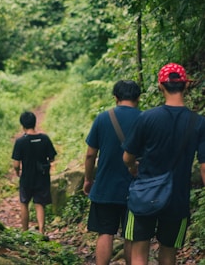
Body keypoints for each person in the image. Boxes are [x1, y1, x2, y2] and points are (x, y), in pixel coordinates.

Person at [123, 63, 205, 265]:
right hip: (177, 198)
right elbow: (204, 167)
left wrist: (133, 168)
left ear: (161, 86)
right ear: (186, 85)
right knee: (169, 253)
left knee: (139, 250)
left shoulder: (147, 118)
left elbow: (127, 157)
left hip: (144, 194)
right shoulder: (199, 122)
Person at [83, 80, 141, 265]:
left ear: (115, 98)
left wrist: (88, 179)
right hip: (136, 188)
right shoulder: (145, 119)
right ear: (138, 98)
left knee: (105, 232)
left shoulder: (102, 118)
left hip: (106, 187)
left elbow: (91, 154)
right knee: (131, 235)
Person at [12, 111, 57, 235]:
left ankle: (25, 231)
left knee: (24, 203)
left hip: (26, 177)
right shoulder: (44, 138)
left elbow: (16, 164)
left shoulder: (20, 141)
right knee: (39, 203)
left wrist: (17, 172)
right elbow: (52, 157)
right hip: (42, 176)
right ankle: (42, 230)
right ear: (35, 123)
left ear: (22, 125)